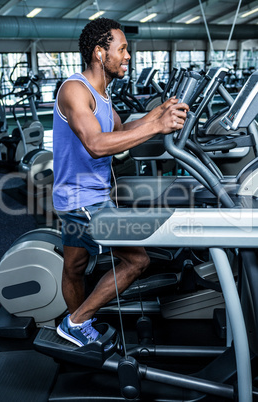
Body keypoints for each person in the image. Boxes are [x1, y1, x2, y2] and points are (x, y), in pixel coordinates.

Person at [52, 17, 189, 348]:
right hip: (83, 201)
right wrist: (156, 127)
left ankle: (76, 330)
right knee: (137, 260)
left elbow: (120, 134)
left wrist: (157, 114)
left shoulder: (102, 94)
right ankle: (77, 322)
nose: (128, 56)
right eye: (123, 49)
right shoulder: (75, 90)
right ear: (100, 53)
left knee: (75, 266)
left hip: (83, 198)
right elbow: (97, 144)